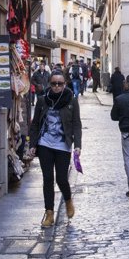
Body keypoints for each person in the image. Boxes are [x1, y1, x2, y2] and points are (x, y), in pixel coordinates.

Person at [29, 71, 82, 227]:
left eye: (60, 83)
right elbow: (35, 125)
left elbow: (76, 124)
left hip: (63, 145)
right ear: (49, 84)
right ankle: (49, 213)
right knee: (47, 179)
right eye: (54, 84)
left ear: (64, 84)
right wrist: (32, 144)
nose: (57, 86)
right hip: (45, 144)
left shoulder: (71, 100)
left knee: (61, 178)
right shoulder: (42, 101)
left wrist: (77, 145)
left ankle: (68, 200)